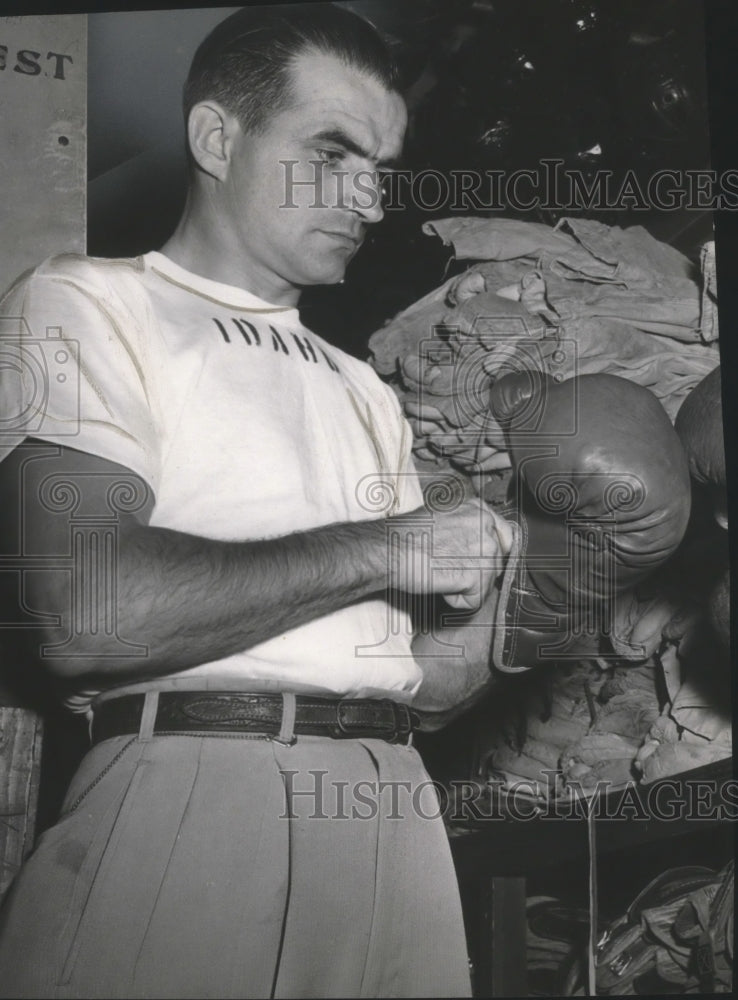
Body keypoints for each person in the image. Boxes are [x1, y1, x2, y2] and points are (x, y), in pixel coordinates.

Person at [0, 6, 509, 998]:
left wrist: (546, 594)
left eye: (383, 170)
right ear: (216, 137)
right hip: (195, 785)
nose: (367, 195)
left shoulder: (363, 384)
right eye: (333, 150)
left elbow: (429, 686)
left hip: (394, 808)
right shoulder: (89, 304)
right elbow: (86, 607)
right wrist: (388, 546)